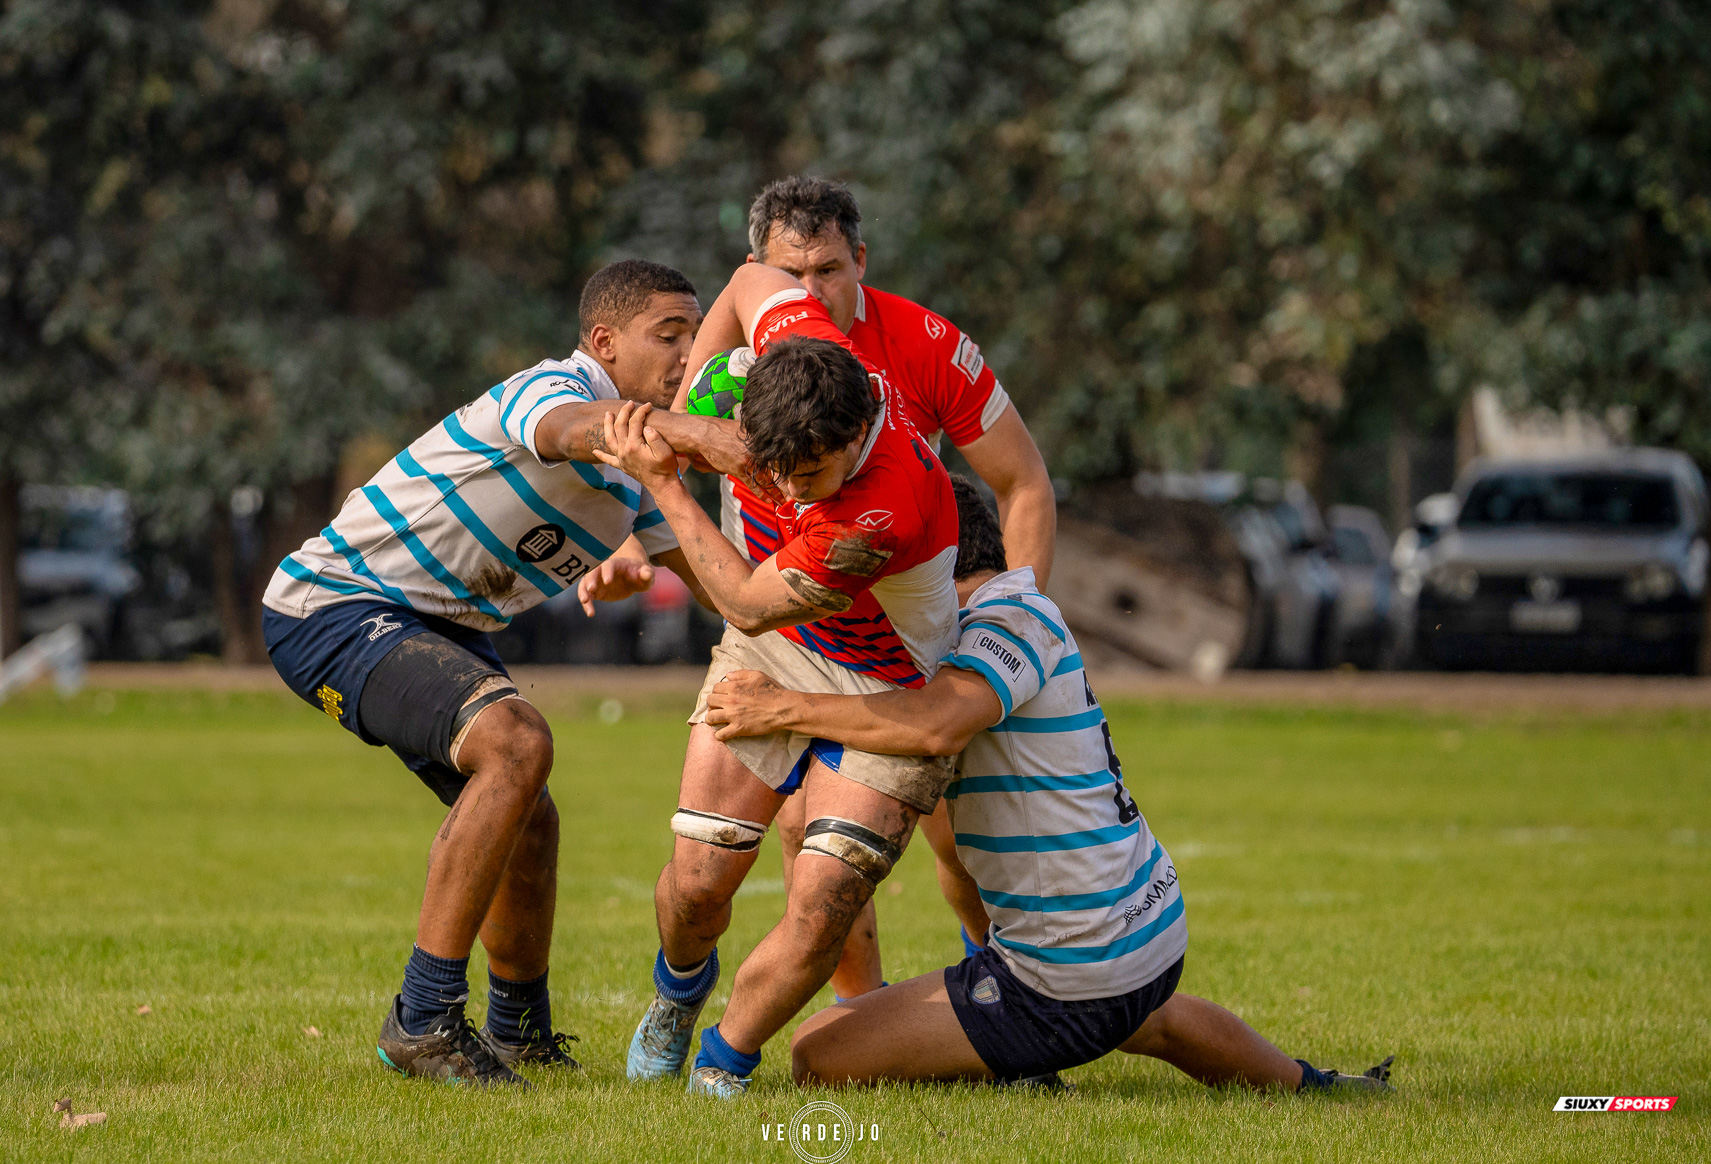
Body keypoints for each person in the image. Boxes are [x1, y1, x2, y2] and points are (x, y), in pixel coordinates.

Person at [701, 476, 1395, 1094]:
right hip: (1144, 934)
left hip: (1074, 975)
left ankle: (1019, 1056)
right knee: (1148, 1022)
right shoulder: (1007, 617)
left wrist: (782, 707)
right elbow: (952, 852)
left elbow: (936, 727)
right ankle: (1310, 1085)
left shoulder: (1005, 618)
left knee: (818, 1052)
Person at [261, 260, 744, 1086]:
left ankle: (519, 1028)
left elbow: (730, 591)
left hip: (435, 623)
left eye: (695, 336)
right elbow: (568, 431)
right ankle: (423, 1022)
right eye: (670, 334)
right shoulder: (552, 388)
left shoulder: (641, 477)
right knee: (516, 744)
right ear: (604, 342)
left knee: (534, 817)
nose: (688, 354)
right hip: (331, 603)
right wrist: (710, 437)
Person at [592, 261, 960, 1098]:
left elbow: (749, 605)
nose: (791, 490)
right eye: (777, 469)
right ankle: (678, 998)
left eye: (811, 476)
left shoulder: (882, 505)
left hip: (887, 681)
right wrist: (693, 422)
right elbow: (751, 274)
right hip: (776, 653)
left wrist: (661, 476)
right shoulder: (803, 345)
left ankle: (725, 1062)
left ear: (858, 430)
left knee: (826, 896)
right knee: (696, 883)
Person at [739, 177, 1056, 996]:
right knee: (809, 825)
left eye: (830, 270)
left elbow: (1023, 485)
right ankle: (859, 1013)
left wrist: (1017, 625)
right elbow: (673, 431)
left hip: (923, 613)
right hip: (803, 617)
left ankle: (1012, 995)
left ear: (861, 261)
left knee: (961, 839)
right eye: (791, 273)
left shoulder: (925, 342)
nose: (811, 291)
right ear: (758, 270)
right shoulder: (750, 348)